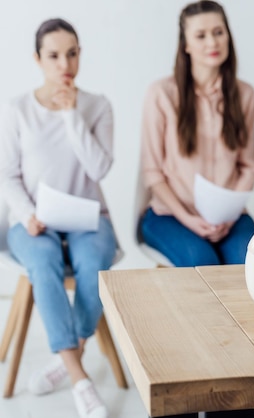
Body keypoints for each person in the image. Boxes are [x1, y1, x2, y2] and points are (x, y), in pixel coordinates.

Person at [0, 18, 115, 418]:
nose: (64, 63)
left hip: (87, 216)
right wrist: (27, 214)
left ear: (80, 54)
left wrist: (71, 114)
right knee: (43, 262)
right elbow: (8, 174)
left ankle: (66, 361)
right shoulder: (17, 109)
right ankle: (80, 379)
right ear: (37, 59)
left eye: (72, 53)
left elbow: (99, 169)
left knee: (93, 266)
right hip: (34, 221)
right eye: (53, 55)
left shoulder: (97, 105)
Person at [140, 0, 254, 267]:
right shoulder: (161, 94)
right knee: (202, 261)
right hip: (170, 213)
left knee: (251, 262)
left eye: (218, 32)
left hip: (230, 217)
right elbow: (153, 173)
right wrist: (188, 218)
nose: (212, 42)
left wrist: (228, 217)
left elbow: (248, 167)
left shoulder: (245, 95)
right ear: (186, 45)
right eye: (201, 35)